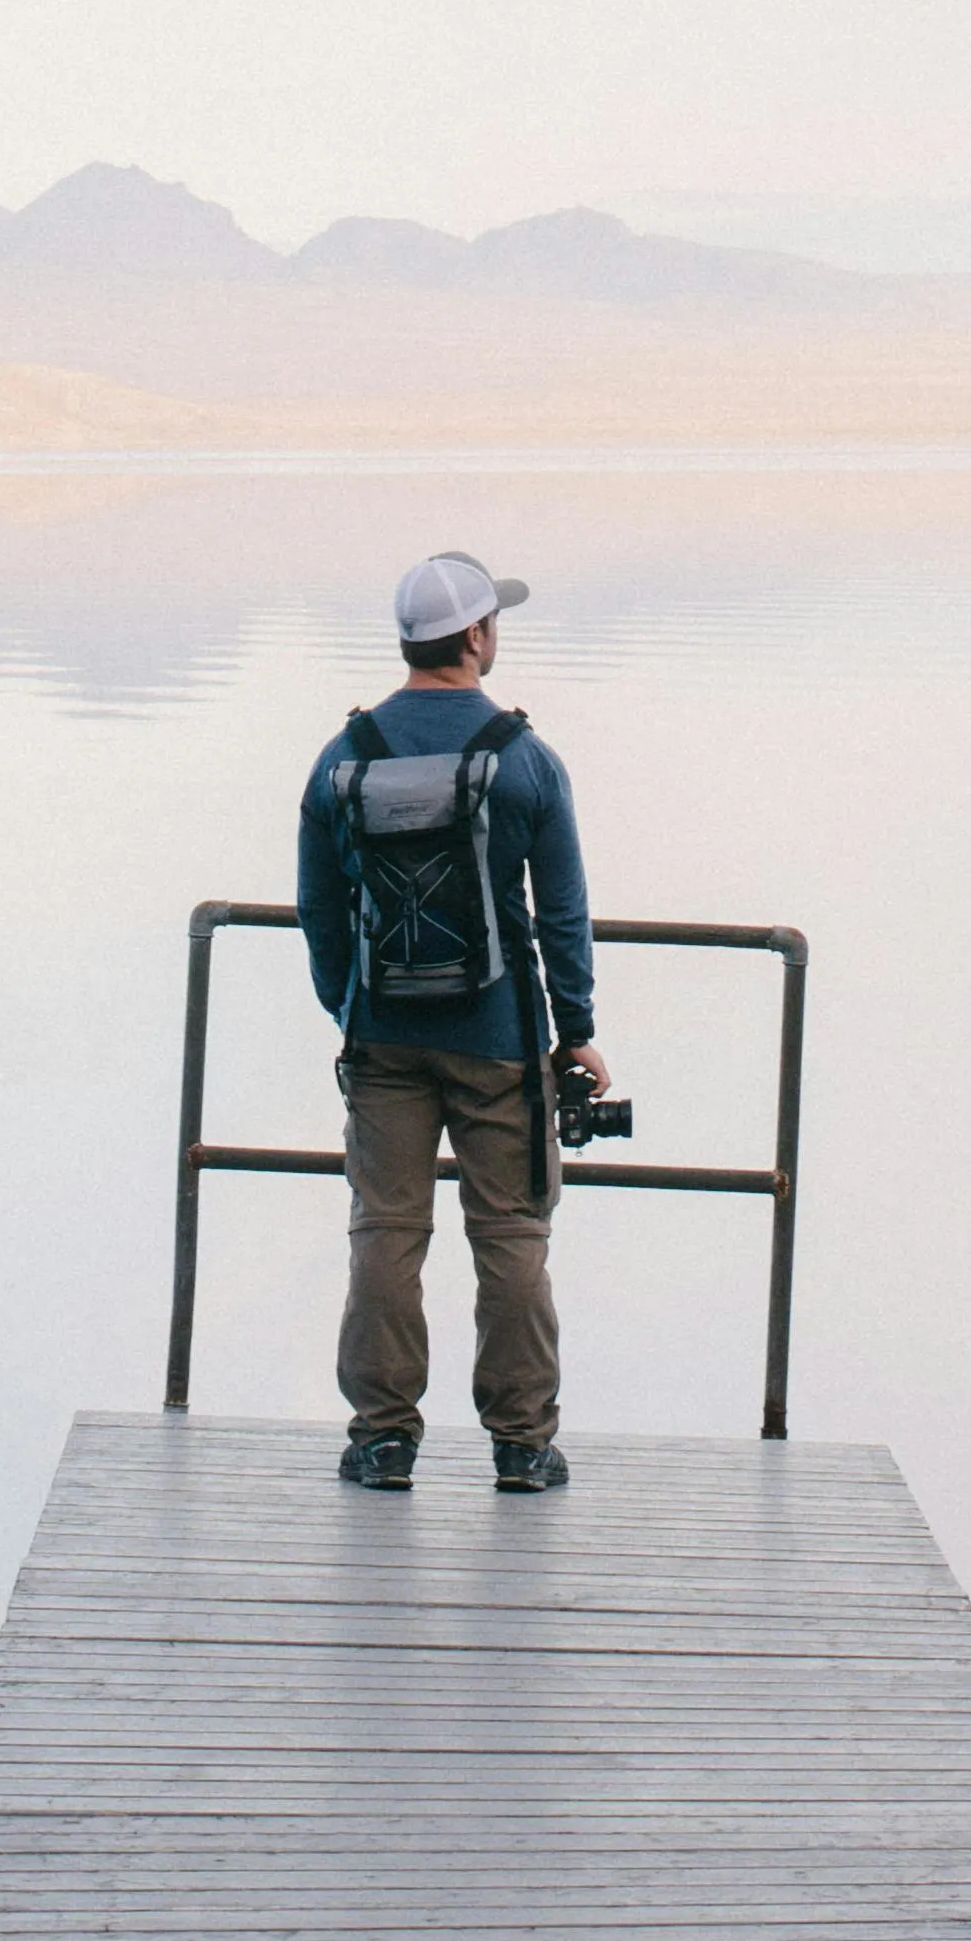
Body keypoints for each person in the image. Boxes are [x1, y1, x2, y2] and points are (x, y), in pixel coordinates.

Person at [297, 547, 602, 1494]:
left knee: (386, 1229)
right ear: (475, 637)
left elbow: (317, 908)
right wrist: (575, 1027)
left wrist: (351, 1003)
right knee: (509, 1236)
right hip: (499, 1040)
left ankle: (383, 1438)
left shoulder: (344, 756)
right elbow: (561, 915)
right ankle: (521, 1445)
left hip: (382, 1040)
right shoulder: (524, 760)